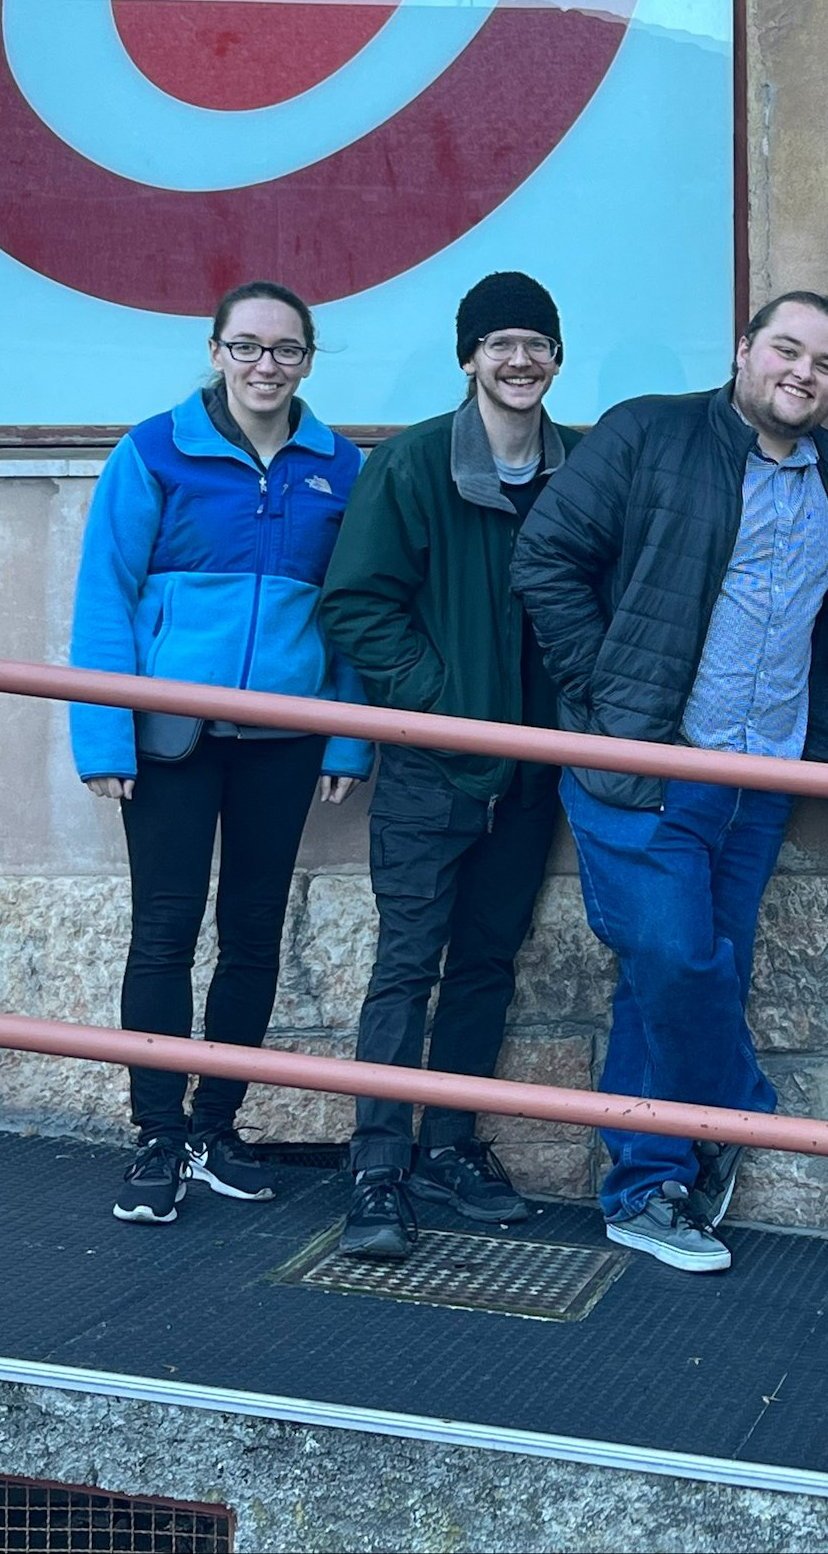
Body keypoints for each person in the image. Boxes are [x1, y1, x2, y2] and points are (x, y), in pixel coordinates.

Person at [511, 290, 828, 1273]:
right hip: (649, 768)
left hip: (759, 777)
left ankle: (647, 1187)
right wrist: (607, 692)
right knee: (678, 959)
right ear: (742, 350)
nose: (803, 374)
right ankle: (738, 1104)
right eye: (787, 351)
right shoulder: (651, 432)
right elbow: (544, 558)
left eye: (826, 363)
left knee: (661, 974)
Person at [69, 280, 370, 1226]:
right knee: (162, 932)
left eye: (284, 349)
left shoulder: (341, 468)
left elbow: (357, 611)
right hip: (170, 741)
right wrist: (103, 735)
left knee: (253, 937)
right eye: (247, 347)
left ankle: (216, 1126)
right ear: (214, 351)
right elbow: (104, 598)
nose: (265, 366)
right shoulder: (154, 450)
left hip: (284, 740)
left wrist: (350, 739)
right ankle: (156, 1133)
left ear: (309, 361)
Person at [317, 272, 586, 1260]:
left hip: (530, 772)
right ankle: (377, 1167)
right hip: (434, 769)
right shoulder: (414, 465)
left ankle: (449, 1148)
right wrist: (433, 695)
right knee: (405, 968)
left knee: (485, 966)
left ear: (557, 358)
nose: (520, 359)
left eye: (537, 343)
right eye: (501, 342)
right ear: (469, 356)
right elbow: (355, 603)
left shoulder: (581, 467)